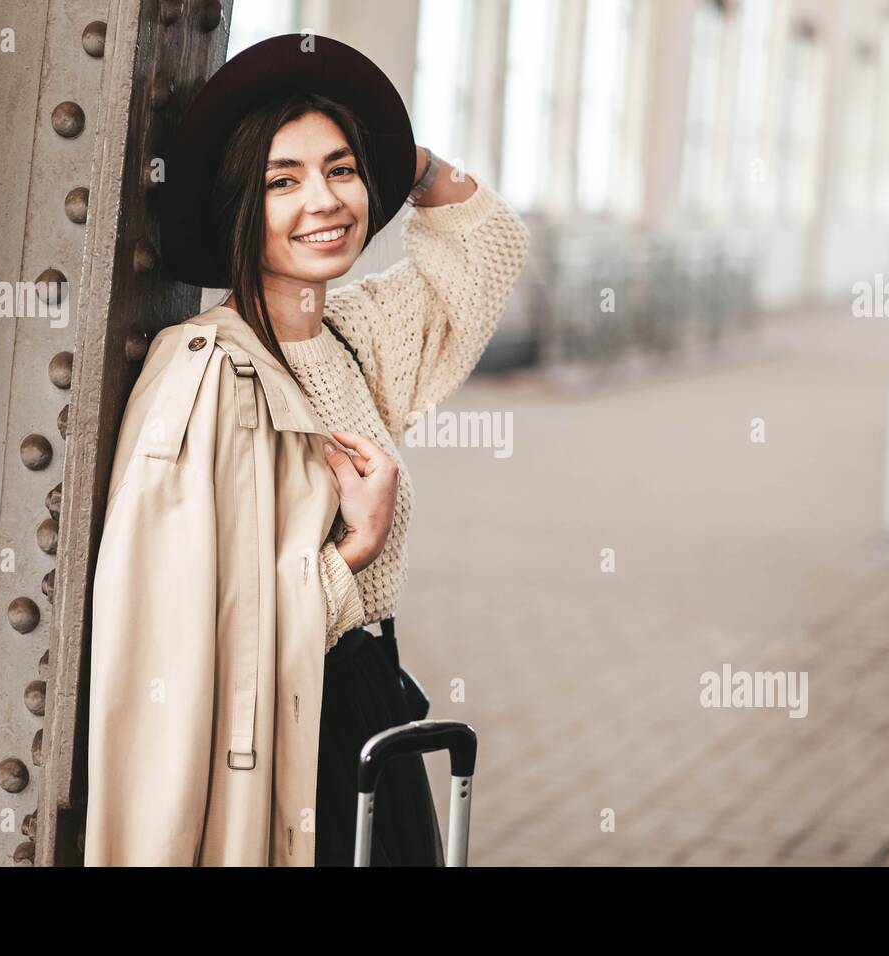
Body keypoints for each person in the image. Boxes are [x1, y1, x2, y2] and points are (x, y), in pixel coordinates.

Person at [127, 33, 528, 866]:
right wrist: (357, 548)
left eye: (341, 170)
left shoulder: (352, 333)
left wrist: (405, 159)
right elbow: (209, 635)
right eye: (284, 180)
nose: (325, 201)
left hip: (368, 708)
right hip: (289, 739)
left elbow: (486, 255)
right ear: (242, 202)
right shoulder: (212, 373)